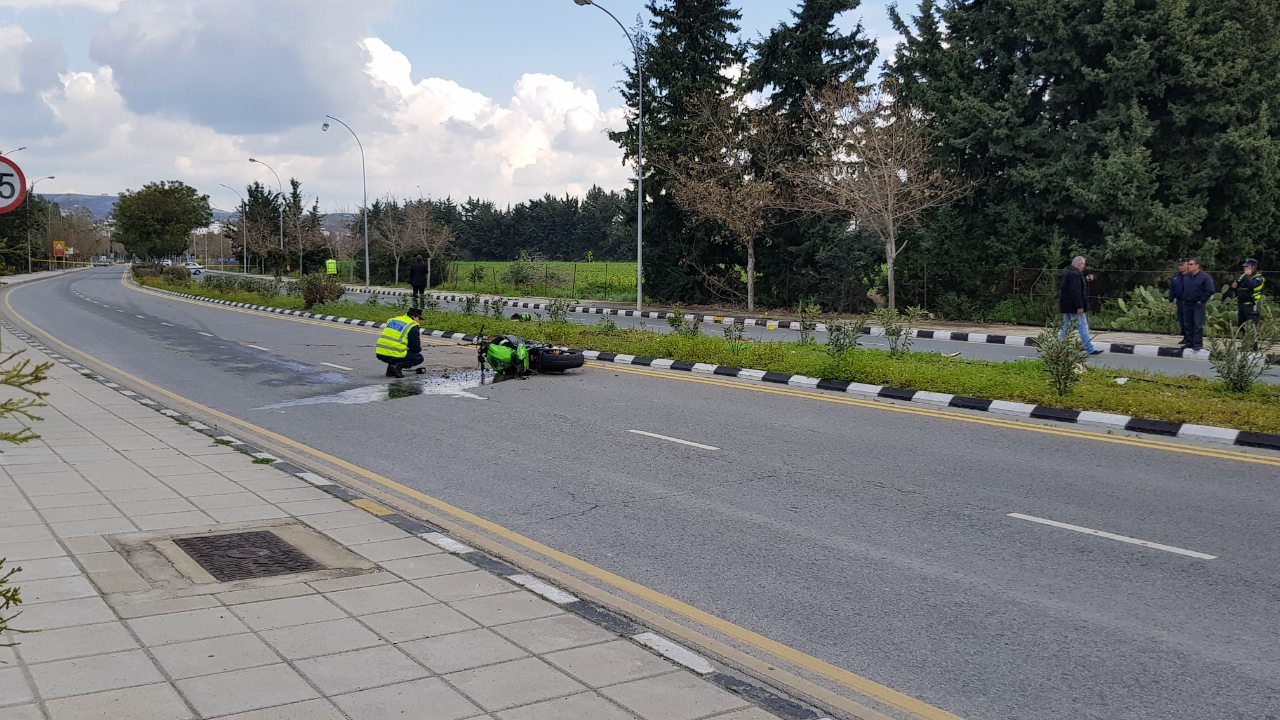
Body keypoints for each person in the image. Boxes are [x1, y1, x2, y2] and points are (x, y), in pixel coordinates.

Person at [1058, 256, 1102, 355]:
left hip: (1067, 306)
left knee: (1066, 327)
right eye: (1083, 264)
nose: (1084, 266)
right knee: (1083, 327)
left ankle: (1059, 346)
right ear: (1079, 264)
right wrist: (1079, 306)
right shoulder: (1075, 274)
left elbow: (1075, 286)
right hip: (1074, 307)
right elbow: (1075, 291)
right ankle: (1089, 349)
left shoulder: (1070, 273)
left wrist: (1085, 279)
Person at [375, 307, 425, 378]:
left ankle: (390, 371)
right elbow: (416, 349)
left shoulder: (393, 320)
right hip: (393, 353)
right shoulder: (412, 326)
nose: (420, 321)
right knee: (418, 358)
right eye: (419, 319)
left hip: (380, 353)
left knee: (396, 351)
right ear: (414, 316)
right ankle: (398, 367)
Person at [1179, 258, 1215, 351]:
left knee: (1198, 325)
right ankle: (1189, 342)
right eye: (1188, 264)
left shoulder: (1205, 277)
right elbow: (1183, 289)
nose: (1188, 266)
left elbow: (1210, 290)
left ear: (1197, 265)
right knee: (1188, 324)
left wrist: (1201, 301)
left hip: (1198, 305)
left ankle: (1198, 344)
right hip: (1187, 304)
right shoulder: (1186, 277)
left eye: (1191, 264)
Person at [1224, 258, 1266, 329]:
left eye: (1247, 267)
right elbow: (1239, 286)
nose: (1244, 268)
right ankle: (1243, 338)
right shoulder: (1243, 276)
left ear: (1253, 267)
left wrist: (1247, 275)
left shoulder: (1259, 278)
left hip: (1252, 304)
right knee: (1242, 325)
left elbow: (1251, 285)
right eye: (1244, 267)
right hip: (1241, 303)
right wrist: (1235, 286)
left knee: (1252, 325)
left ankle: (1252, 339)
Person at [1167, 259, 1189, 346]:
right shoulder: (1176, 276)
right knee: (1181, 320)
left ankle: (1191, 338)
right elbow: (1171, 288)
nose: (1180, 267)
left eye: (1182, 265)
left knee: (1188, 321)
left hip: (1189, 302)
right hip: (1179, 302)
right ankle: (1185, 337)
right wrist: (1171, 301)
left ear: (1186, 265)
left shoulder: (1191, 276)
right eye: (1179, 265)